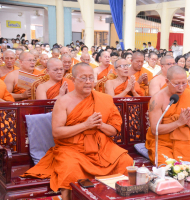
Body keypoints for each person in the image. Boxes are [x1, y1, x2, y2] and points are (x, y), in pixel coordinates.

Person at [22, 62, 133, 200]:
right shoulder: (63, 102)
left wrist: (100, 125)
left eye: (91, 78)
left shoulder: (104, 99)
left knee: (125, 160)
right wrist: (86, 125)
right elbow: (57, 132)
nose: (88, 82)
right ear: (73, 80)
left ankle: (113, 196)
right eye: (83, 78)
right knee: (70, 168)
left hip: (101, 147)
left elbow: (114, 131)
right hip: (72, 148)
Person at [146, 66, 190, 166]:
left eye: (184, 83)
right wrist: (178, 123)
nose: (181, 87)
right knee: (170, 168)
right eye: (177, 84)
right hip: (163, 143)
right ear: (167, 81)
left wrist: (188, 122)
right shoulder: (157, 99)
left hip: (185, 141)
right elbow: (155, 129)